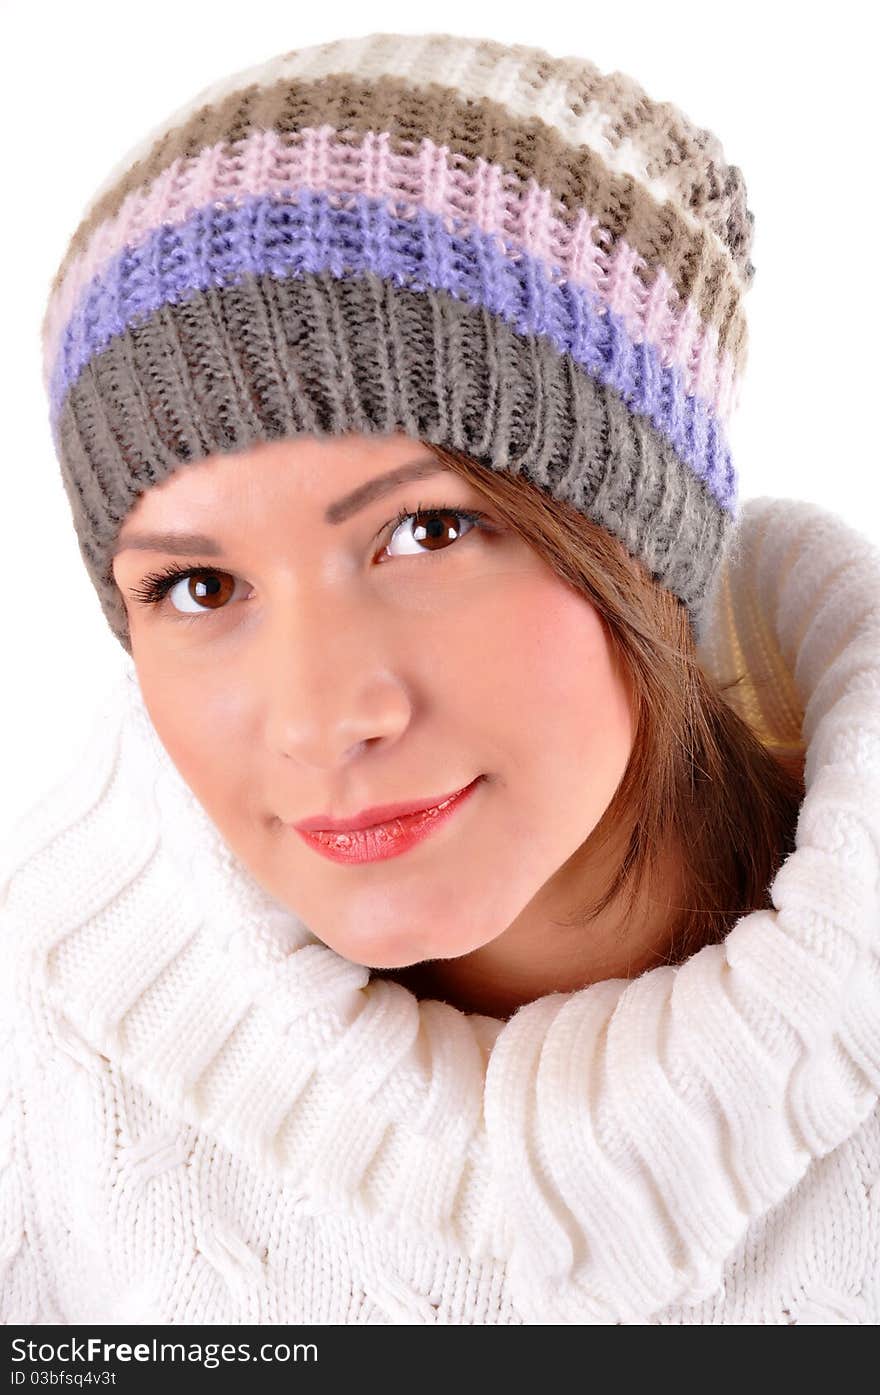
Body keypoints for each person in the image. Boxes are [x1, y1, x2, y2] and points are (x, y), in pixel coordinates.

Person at [1, 29, 878, 1325]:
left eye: (427, 532)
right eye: (199, 587)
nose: (321, 718)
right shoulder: (46, 1067)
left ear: (646, 536)